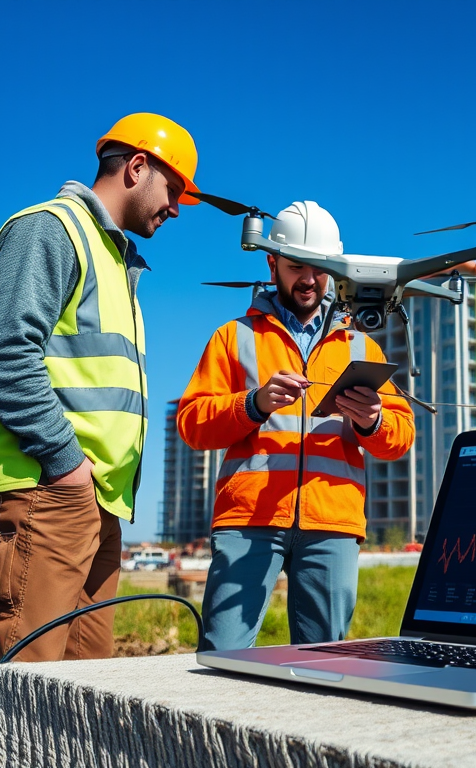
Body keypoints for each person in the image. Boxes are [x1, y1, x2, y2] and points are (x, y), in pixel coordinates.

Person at [0, 113, 202, 768]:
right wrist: (67, 468)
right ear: (137, 168)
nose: (178, 209)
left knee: (82, 694)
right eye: (176, 190)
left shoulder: (117, 264)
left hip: (98, 506)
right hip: (47, 491)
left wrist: (94, 491)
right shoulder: (50, 230)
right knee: (18, 686)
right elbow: (6, 352)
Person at [177, 201, 415, 650]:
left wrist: (372, 421)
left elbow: (400, 438)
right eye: (295, 267)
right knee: (223, 656)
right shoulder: (234, 337)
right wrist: (254, 403)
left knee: (325, 662)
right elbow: (192, 424)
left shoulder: (362, 347)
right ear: (271, 263)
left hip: (333, 521)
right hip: (248, 519)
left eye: (320, 268)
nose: (309, 279)